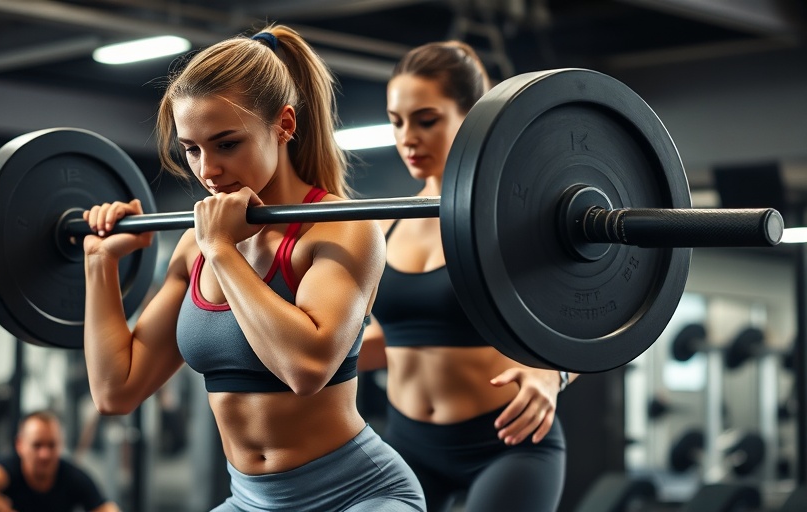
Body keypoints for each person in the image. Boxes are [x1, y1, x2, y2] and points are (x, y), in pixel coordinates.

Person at [79, 24, 425, 512]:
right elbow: (118, 390)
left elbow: (306, 369)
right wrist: (101, 265)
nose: (207, 170)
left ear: (283, 124)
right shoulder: (192, 249)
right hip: (250, 501)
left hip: (356, 495)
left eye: (226, 144)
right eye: (192, 149)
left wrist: (222, 251)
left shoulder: (342, 229)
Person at [358, 41, 576, 512]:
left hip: (507, 442)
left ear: (471, 116)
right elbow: (391, 339)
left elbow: (588, 319)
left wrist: (552, 374)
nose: (407, 138)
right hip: (406, 444)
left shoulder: (508, 217)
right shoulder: (386, 223)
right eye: (396, 121)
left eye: (426, 119)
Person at [0, 410, 119, 512]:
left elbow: (108, 508)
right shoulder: (10, 467)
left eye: (51, 445)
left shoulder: (72, 476)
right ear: (20, 445)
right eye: (37, 445)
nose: (45, 454)